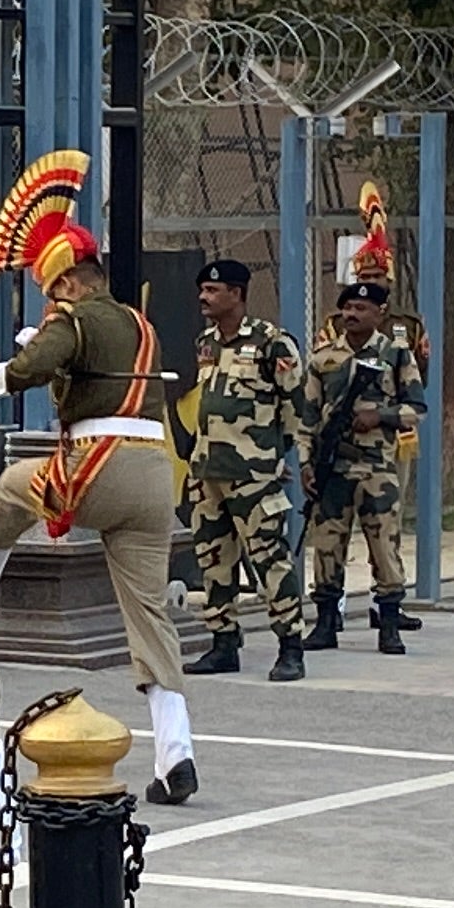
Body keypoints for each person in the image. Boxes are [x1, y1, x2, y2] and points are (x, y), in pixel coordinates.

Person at [0, 150, 197, 803]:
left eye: (51, 290)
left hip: (99, 467)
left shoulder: (75, 316)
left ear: (68, 280)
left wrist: (6, 375)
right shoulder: (137, 322)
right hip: (155, 476)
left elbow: (55, 351)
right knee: (149, 615)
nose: (50, 301)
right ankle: (175, 755)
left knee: (14, 487)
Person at [183, 255, 315, 683]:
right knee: (213, 560)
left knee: (269, 560)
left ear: (236, 295)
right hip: (207, 473)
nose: (204, 297)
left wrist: (284, 457)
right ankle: (223, 643)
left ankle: (290, 646)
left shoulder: (273, 344)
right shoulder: (205, 343)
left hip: (253, 475)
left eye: (213, 291)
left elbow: (296, 408)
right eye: (202, 290)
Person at [304, 197, 424, 656]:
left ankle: (389, 623)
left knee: (384, 547)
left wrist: (383, 416)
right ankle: (325, 621)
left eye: (362, 306)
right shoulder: (323, 356)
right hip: (333, 468)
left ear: (380, 312)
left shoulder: (397, 350)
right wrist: (307, 463)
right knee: (327, 546)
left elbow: (418, 407)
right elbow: (308, 416)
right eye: (348, 305)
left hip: (376, 466)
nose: (352, 313)